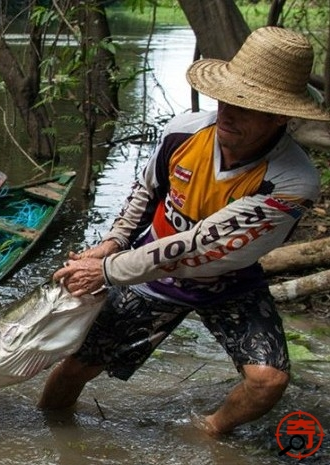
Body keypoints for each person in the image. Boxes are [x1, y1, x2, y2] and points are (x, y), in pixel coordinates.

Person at [38, 27, 330, 436]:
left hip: (228, 282)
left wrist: (105, 271)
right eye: (227, 99)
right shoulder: (186, 131)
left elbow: (200, 245)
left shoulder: (291, 182)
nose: (228, 112)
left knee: (269, 381)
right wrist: (112, 243)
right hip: (149, 274)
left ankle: (208, 430)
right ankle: (51, 433)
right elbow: (147, 191)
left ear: (279, 115)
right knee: (77, 367)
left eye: (247, 107)